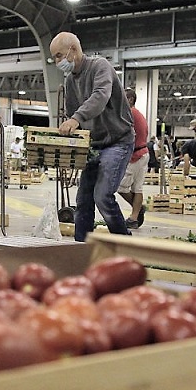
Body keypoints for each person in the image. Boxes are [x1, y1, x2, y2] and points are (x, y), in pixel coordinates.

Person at [51, 31, 134, 241]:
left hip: (118, 141)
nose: (57, 61)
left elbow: (100, 96)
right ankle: (81, 248)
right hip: (94, 144)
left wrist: (76, 118)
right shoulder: (70, 81)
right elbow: (71, 114)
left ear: (73, 49)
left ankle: (124, 244)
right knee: (83, 200)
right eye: (54, 58)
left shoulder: (100, 66)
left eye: (59, 55)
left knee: (103, 196)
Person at [119, 89, 150, 229]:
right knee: (137, 187)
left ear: (130, 99)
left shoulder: (129, 114)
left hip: (136, 156)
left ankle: (137, 209)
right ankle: (134, 218)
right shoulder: (138, 114)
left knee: (120, 187)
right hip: (143, 153)